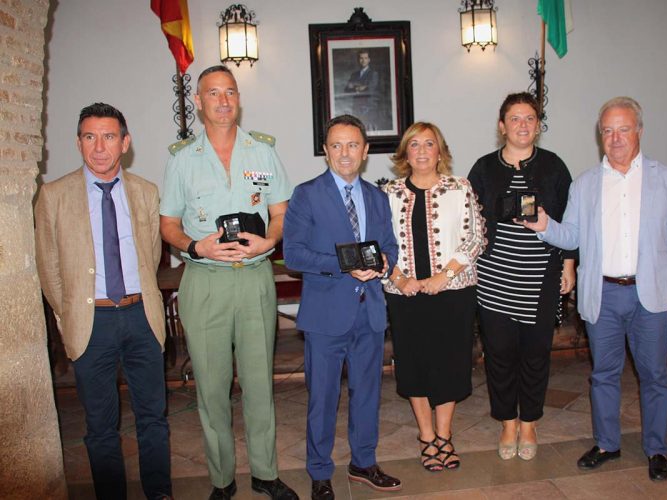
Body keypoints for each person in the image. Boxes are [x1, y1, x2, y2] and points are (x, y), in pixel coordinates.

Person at [523, 96, 667, 481]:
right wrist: (544, 224)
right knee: (604, 374)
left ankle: (657, 448)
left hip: (651, 294)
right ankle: (606, 443)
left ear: (639, 131)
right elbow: (572, 236)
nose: (615, 138)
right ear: (600, 136)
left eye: (623, 129)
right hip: (603, 294)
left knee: (654, 375)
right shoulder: (586, 184)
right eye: (608, 131)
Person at [159, 66, 298, 500]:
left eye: (230, 92)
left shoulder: (263, 152)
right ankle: (221, 479)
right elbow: (168, 225)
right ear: (198, 102)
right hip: (205, 283)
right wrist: (196, 248)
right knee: (212, 386)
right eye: (213, 93)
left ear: (239, 99)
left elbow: (281, 212)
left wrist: (271, 240)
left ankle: (265, 473)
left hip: (255, 280)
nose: (223, 100)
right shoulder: (182, 159)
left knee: (260, 383)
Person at [35, 103, 172, 499]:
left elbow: (148, 256)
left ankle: (159, 492)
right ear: (78, 143)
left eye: (109, 136)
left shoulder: (145, 192)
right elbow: (49, 267)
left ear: (124, 143)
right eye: (90, 137)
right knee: (100, 425)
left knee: (153, 417)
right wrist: (68, 316)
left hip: (141, 317)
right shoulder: (54, 195)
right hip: (90, 321)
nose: (99, 146)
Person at [283, 115, 400, 500]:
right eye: (336, 145)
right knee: (323, 397)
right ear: (326, 151)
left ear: (365, 151)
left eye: (353, 145)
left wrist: (383, 263)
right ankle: (319, 471)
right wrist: (346, 264)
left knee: (367, 393)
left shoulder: (377, 196)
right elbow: (294, 254)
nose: (345, 153)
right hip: (325, 315)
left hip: (369, 312)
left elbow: (390, 247)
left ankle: (364, 462)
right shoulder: (306, 194)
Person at [468, 92, 576, 461]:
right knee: (499, 354)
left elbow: (569, 221)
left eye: (529, 118)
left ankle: (528, 421)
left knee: (535, 353)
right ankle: (506, 422)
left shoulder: (553, 167)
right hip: (495, 276)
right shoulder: (483, 168)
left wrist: (568, 264)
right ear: (502, 126)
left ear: (538, 125)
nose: (522, 125)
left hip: (540, 276)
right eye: (515, 118)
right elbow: (470, 222)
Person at [382, 122, 485, 472]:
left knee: (450, 363)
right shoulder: (390, 193)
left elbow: (475, 239)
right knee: (413, 364)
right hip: (405, 294)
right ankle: (426, 437)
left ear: (440, 151)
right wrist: (399, 278)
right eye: (415, 144)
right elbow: (380, 245)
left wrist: (446, 274)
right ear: (405, 153)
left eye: (430, 144)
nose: (423, 151)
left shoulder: (460, 188)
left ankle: (444, 436)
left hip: (453, 293)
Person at [343, 50, 380, 129]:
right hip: (356, 107)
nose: (363, 60)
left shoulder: (373, 74)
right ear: (358, 60)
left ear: (369, 60)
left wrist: (354, 86)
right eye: (361, 58)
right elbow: (347, 89)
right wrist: (361, 87)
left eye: (365, 58)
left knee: (367, 129)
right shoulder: (354, 74)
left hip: (369, 107)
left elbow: (371, 89)